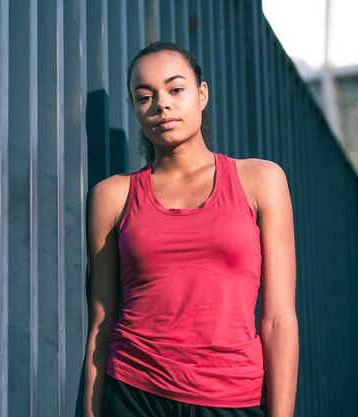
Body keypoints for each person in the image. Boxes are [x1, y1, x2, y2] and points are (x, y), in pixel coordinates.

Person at [84, 41, 299, 417]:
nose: (161, 104)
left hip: (231, 395)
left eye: (175, 89)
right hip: (135, 392)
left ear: (202, 94)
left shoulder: (261, 180)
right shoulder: (111, 196)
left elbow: (278, 319)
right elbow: (102, 323)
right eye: (144, 96)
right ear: (135, 109)